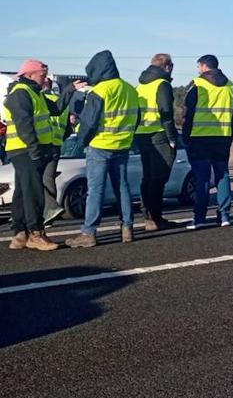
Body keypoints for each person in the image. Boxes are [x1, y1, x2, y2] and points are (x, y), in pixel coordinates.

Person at [66, 50, 141, 246]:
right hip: (123, 144)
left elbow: (89, 122)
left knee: (95, 190)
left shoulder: (99, 91)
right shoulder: (130, 89)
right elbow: (137, 117)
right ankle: (127, 228)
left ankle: (89, 233)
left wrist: (82, 141)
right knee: (122, 187)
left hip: (100, 145)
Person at [4, 59, 59, 251]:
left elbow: (56, 110)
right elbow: (24, 124)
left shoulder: (33, 93)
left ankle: (20, 234)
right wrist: (35, 149)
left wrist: (69, 92)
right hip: (26, 149)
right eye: (42, 75)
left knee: (22, 190)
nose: (45, 79)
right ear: (29, 75)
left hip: (25, 148)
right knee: (34, 191)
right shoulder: (21, 93)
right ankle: (35, 233)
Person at [182, 54, 233, 228]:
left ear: (204, 66)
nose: (198, 70)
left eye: (199, 67)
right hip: (222, 137)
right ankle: (225, 215)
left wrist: (185, 136)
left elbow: (187, 113)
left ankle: (199, 218)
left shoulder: (197, 84)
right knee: (223, 175)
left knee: (202, 178)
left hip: (199, 137)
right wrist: (229, 136)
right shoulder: (230, 86)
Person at [135, 54, 183, 231]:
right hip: (159, 134)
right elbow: (166, 112)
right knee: (159, 177)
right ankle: (155, 217)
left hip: (142, 134)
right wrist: (172, 138)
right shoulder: (162, 84)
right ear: (168, 67)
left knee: (148, 177)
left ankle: (148, 216)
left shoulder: (141, 85)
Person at [40, 74, 71, 226]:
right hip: (56, 145)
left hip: (43, 143)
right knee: (48, 179)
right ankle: (49, 216)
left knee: (37, 180)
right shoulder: (63, 104)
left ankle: (46, 211)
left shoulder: (41, 100)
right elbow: (68, 130)